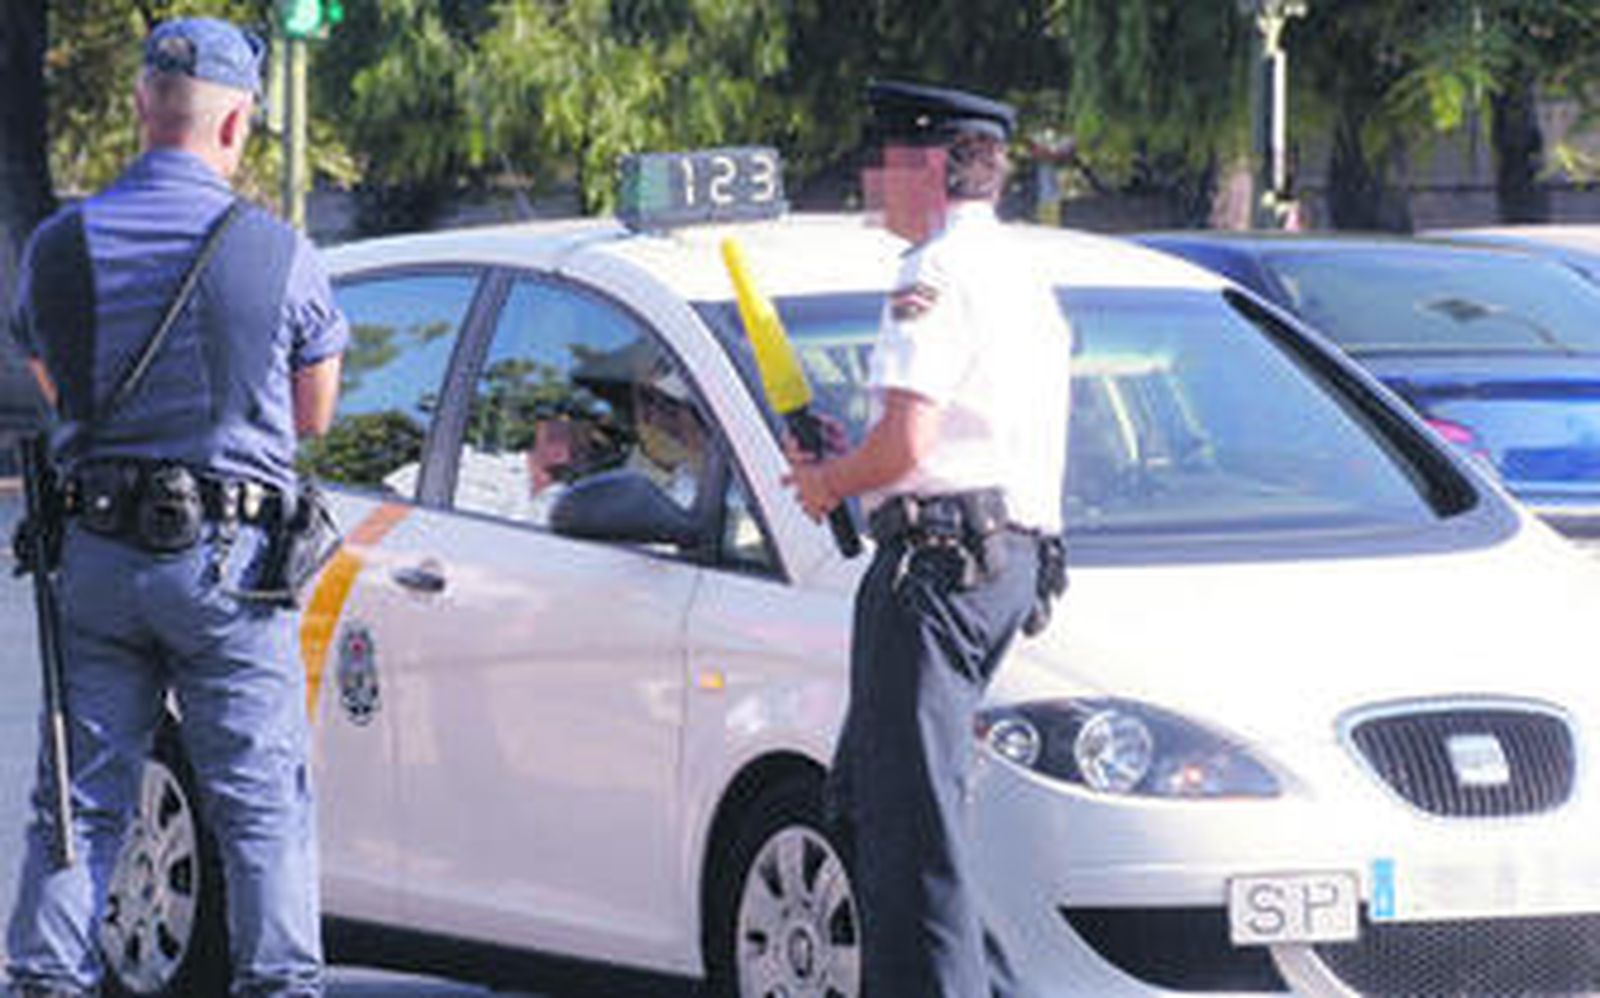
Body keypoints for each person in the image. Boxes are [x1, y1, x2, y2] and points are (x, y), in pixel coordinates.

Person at [4, 17, 347, 998]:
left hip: (99, 560)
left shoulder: (58, 247)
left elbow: (56, 383)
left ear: (140, 108)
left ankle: (43, 982)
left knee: (78, 799)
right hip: (232, 569)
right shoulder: (280, 252)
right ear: (236, 123)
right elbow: (313, 412)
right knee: (261, 807)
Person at [783, 80, 1072, 998]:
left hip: (937, 569)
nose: (873, 178)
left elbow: (908, 446)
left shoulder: (933, 274)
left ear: (938, 167)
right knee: (876, 805)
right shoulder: (1022, 271)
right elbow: (941, 442)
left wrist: (827, 481)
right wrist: (855, 459)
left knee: (906, 827)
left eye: (888, 159)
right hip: (999, 557)